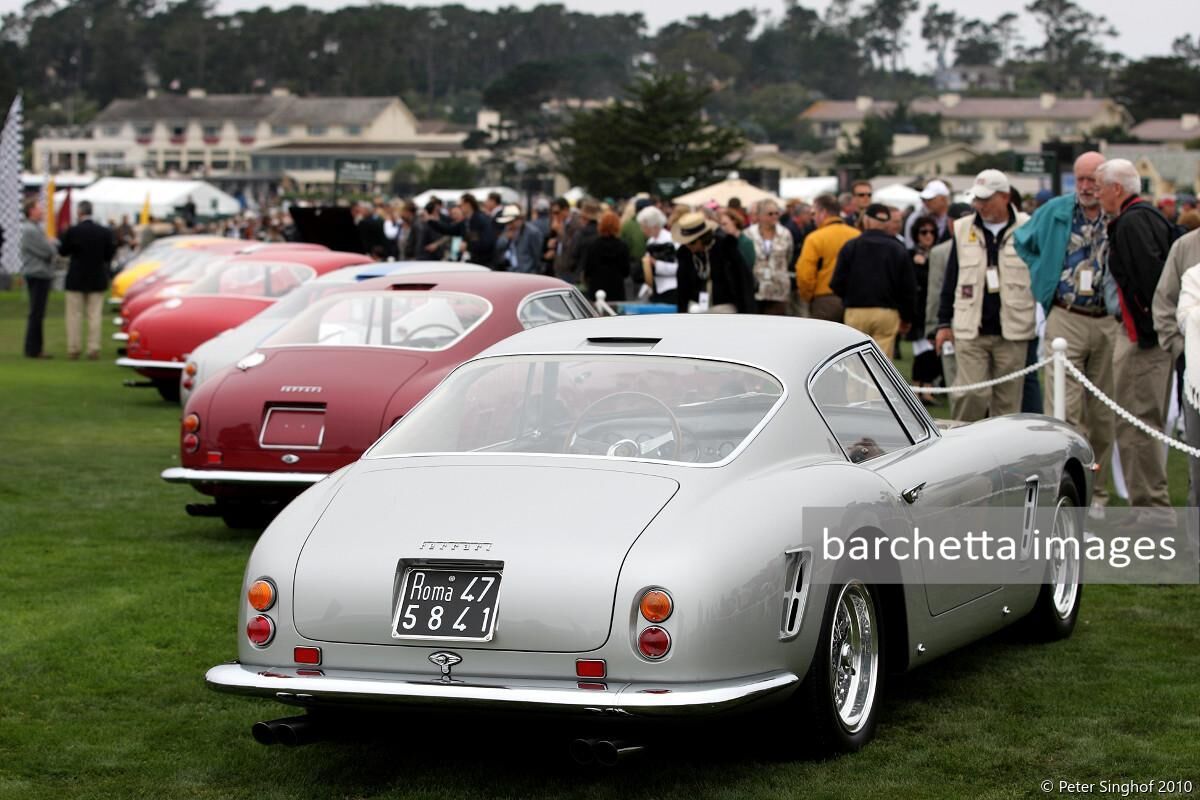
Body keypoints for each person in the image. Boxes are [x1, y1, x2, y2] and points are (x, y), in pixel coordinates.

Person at [1014, 152, 1117, 517]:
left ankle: (1098, 491)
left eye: (1093, 179)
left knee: (1103, 413)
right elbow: (1022, 241)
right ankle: (1065, 487)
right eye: (1081, 179)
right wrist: (1043, 274)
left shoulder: (1115, 211)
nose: (1086, 186)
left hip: (1108, 319)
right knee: (1063, 410)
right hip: (1066, 314)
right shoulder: (1056, 210)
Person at [1098, 158, 1178, 519]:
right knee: (1139, 422)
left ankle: (1151, 510)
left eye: (1100, 186)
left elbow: (1151, 280)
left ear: (1116, 188)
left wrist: (1147, 329)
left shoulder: (1132, 222)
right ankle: (1147, 506)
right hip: (1146, 334)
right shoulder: (1147, 217)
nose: (1096, 193)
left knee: (1137, 424)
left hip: (1143, 339)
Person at [934, 170, 1034, 421]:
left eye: (986, 199)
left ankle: (1003, 446)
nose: (979, 204)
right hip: (970, 327)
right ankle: (962, 441)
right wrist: (944, 322)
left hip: (1013, 328)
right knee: (971, 394)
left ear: (1005, 197)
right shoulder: (962, 228)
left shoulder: (1028, 226)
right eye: (977, 199)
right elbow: (951, 277)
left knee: (1008, 402)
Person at [830, 203, 916, 356]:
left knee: (855, 359)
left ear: (866, 220)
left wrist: (850, 296)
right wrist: (907, 317)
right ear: (887, 223)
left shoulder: (851, 246)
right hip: (886, 312)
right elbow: (908, 288)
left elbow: (837, 282)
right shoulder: (897, 248)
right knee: (881, 362)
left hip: (856, 310)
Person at [58, 200, 116, 360]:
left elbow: (63, 251)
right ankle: (93, 348)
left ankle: (74, 348)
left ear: (79, 212)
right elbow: (109, 255)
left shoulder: (73, 231)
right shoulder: (104, 232)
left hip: (76, 278)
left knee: (74, 315)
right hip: (97, 277)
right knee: (94, 315)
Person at [673, 211, 755, 314]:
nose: (688, 246)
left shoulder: (725, 248)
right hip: (696, 306)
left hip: (724, 306)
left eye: (692, 242)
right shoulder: (685, 254)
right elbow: (683, 287)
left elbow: (742, 279)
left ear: (702, 238)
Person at [795, 193, 860, 322]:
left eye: (814, 213)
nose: (813, 218)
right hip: (854, 300)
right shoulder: (857, 235)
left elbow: (805, 274)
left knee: (821, 335)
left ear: (823, 213)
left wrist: (808, 296)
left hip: (825, 299)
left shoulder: (815, 238)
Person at [908, 214, 941, 402]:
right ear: (917, 235)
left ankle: (927, 389)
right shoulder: (910, 254)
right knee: (921, 353)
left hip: (935, 308)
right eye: (924, 232)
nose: (928, 235)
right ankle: (916, 390)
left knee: (932, 353)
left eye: (932, 232)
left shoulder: (939, 253)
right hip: (918, 310)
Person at [20, 199, 57, 359]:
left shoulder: (35, 228)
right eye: (38, 208)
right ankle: (33, 349)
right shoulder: (30, 230)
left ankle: (34, 347)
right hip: (37, 274)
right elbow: (48, 251)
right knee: (36, 313)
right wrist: (51, 245)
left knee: (37, 313)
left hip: (39, 273)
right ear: (31, 211)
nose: (41, 211)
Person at [745, 199, 794, 315]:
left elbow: (789, 256)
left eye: (777, 213)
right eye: (770, 214)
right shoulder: (749, 234)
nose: (774, 216)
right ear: (760, 216)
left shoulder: (785, 234)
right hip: (756, 289)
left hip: (779, 289)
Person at [580, 211, 629, 302]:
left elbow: (588, 269)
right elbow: (626, 271)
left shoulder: (593, 244)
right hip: (616, 289)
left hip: (596, 288)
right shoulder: (622, 246)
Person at [637, 205, 678, 305]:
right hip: (655, 289)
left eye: (644, 226)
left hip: (670, 289)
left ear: (653, 226)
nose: (642, 230)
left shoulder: (671, 240)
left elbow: (677, 268)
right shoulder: (650, 241)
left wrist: (656, 264)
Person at [493, 204, 545, 274]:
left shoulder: (532, 233)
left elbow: (537, 257)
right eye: (507, 222)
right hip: (511, 271)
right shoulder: (507, 230)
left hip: (527, 273)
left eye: (511, 222)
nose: (509, 225)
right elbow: (498, 247)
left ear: (519, 219)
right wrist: (506, 238)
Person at [905, 179, 952, 248]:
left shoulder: (954, 217)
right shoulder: (916, 218)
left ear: (943, 199)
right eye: (924, 199)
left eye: (930, 199)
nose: (926, 203)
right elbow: (910, 245)